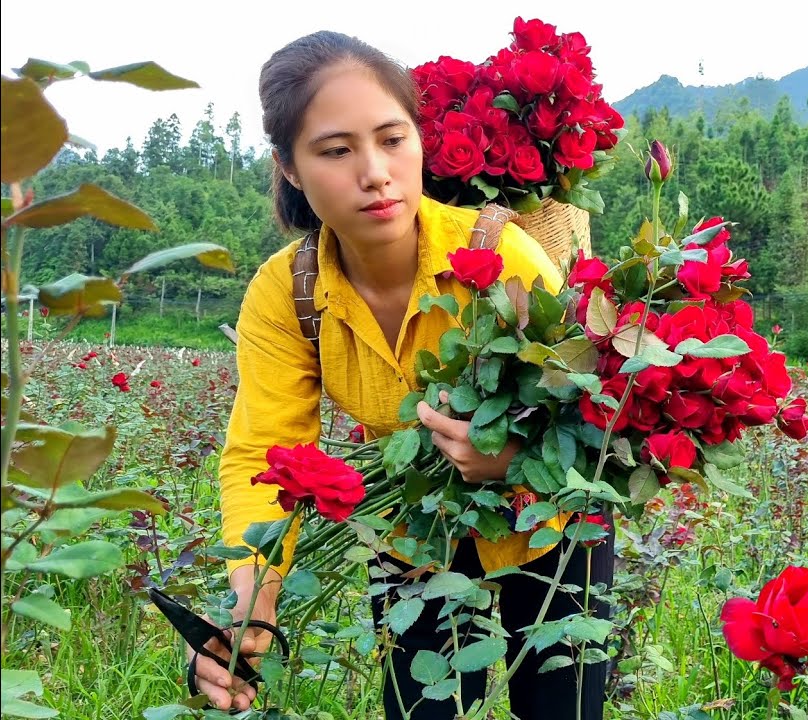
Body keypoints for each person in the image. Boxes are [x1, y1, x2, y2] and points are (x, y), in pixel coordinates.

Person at [185, 30, 612, 720]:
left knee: (560, 705)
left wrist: (514, 456)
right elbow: (265, 452)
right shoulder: (285, 293)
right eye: (335, 150)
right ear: (289, 168)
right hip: (420, 520)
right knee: (423, 708)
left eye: (392, 139)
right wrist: (253, 600)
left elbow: (593, 410)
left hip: (553, 516)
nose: (375, 172)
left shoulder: (502, 254)